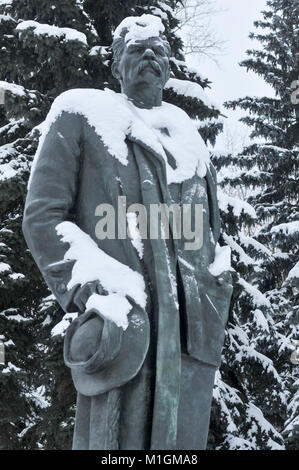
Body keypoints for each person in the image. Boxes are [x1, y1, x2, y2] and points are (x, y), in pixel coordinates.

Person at [22, 14, 233, 450]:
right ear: (116, 64)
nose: (150, 56)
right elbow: (42, 216)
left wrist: (216, 280)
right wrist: (98, 289)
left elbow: (210, 231)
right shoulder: (80, 112)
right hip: (125, 327)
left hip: (191, 340)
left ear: (170, 68)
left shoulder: (189, 137)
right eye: (136, 49)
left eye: (158, 49)